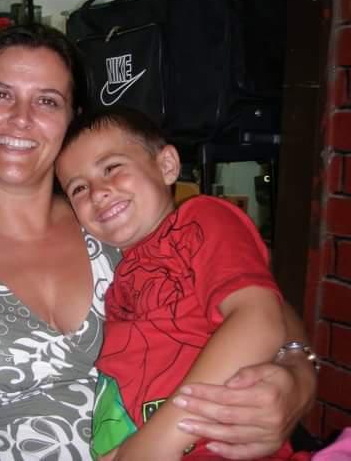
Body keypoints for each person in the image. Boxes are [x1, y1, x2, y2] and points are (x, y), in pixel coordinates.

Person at [0, 23, 317, 460]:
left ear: (71, 121)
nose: (21, 117)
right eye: (0, 94)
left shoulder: (117, 221)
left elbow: (265, 309)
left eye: (47, 100)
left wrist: (297, 378)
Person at [55, 107, 314, 461]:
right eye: (79, 188)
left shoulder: (201, 220)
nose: (98, 192)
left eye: (112, 168)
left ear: (167, 166)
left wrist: (155, 442)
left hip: (213, 443)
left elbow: (259, 320)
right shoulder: (119, 270)